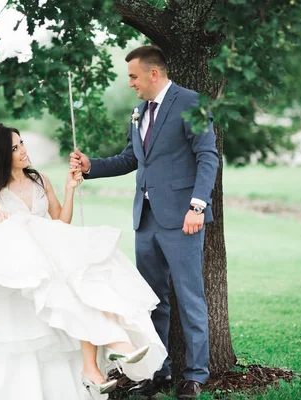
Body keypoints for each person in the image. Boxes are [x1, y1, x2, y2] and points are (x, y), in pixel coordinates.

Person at [0, 123, 166, 400]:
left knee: (88, 279)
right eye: (14, 148)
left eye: (22, 143)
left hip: (52, 250)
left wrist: (70, 188)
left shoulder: (40, 180)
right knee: (75, 288)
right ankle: (111, 348)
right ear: (1, 155)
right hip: (26, 265)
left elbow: (61, 220)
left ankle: (95, 364)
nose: (23, 150)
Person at [70, 45, 219, 399]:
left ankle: (195, 375)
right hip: (146, 220)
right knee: (152, 301)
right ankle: (157, 372)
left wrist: (197, 207)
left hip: (184, 220)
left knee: (190, 297)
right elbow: (129, 159)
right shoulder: (138, 112)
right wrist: (92, 167)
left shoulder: (191, 103)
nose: (131, 84)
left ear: (154, 73)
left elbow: (207, 156)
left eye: (134, 76)